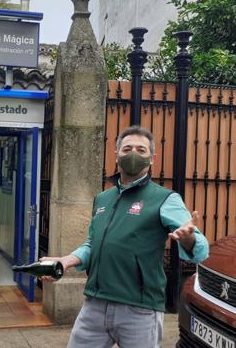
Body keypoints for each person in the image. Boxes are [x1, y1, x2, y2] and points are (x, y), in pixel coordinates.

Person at [42, 126, 209, 348]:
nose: (133, 154)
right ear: (117, 154)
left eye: (141, 150)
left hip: (139, 309)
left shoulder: (165, 198)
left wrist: (188, 239)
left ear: (152, 159)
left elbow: (201, 250)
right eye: (127, 148)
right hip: (94, 304)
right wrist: (66, 261)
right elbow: (93, 243)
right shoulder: (102, 199)